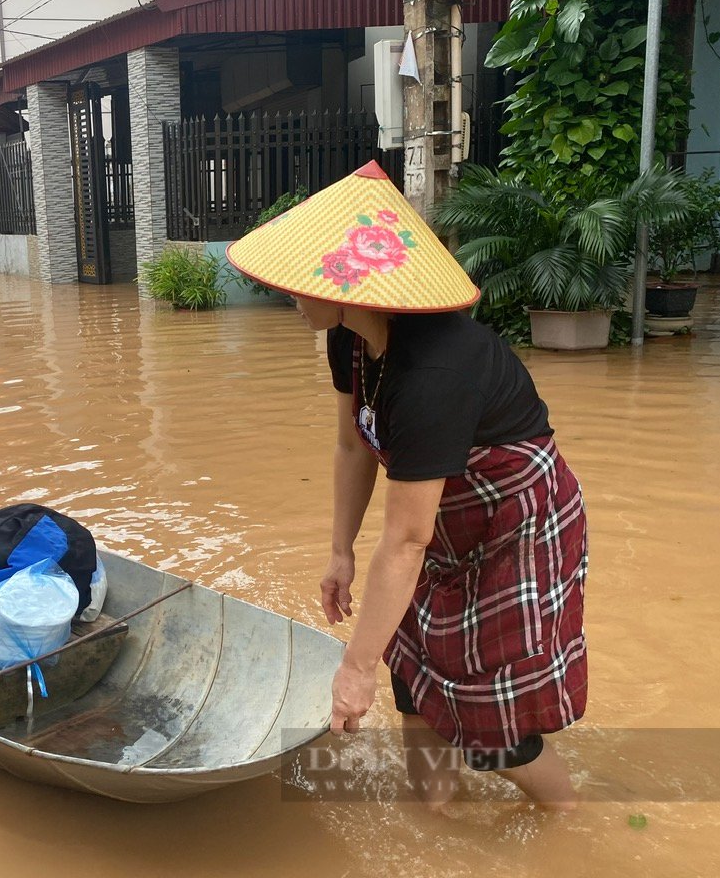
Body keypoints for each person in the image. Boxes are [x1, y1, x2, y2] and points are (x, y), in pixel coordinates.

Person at [226, 161, 587, 811]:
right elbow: (351, 443)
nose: (288, 294)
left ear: (352, 286)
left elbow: (406, 539)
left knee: (490, 725)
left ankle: (573, 822)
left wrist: (353, 666)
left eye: (300, 282)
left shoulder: (434, 373)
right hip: (436, 514)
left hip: (511, 521)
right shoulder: (350, 339)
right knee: (413, 676)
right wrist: (340, 550)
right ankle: (437, 815)